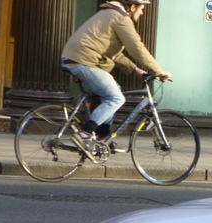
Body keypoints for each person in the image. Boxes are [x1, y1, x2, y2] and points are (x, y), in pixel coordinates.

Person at [61, 0, 171, 157]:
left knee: (112, 92)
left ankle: (103, 137)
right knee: (115, 98)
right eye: (141, 8)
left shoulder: (108, 14)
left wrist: (136, 69)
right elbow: (137, 48)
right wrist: (158, 71)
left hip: (77, 59)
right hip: (83, 61)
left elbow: (113, 53)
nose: (142, 12)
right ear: (132, 7)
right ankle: (84, 134)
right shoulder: (121, 19)